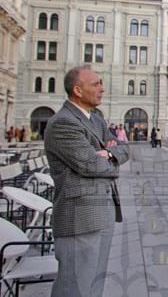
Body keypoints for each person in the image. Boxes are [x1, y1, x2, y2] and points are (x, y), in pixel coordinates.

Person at [44, 65, 129, 297]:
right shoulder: (63, 122)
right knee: (74, 287)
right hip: (79, 216)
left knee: (94, 282)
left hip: (104, 210)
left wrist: (108, 153)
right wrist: (111, 161)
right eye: (96, 84)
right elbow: (91, 165)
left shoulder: (96, 120)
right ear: (77, 90)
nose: (102, 88)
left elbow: (124, 148)